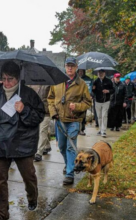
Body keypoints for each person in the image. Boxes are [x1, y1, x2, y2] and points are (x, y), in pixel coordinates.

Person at [0, 61, 44, 220]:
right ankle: (1, 213)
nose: (6, 82)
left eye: (10, 79)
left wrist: (24, 110)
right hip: (1, 142)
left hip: (22, 143)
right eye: (3, 78)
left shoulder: (28, 94)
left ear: (18, 78)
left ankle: (32, 197)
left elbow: (39, 116)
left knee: (28, 177)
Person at [48, 57, 92, 185]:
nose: (70, 68)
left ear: (76, 67)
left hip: (74, 120)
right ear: (65, 66)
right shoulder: (57, 82)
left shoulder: (82, 84)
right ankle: (69, 165)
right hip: (60, 120)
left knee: (70, 147)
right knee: (61, 147)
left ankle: (70, 173)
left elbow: (88, 102)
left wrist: (77, 106)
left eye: (72, 66)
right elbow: (50, 99)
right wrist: (53, 112)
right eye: (68, 65)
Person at [29, 85, 52, 162]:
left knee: (42, 131)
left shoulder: (49, 84)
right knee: (41, 131)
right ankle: (47, 146)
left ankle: (38, 153)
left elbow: (52, 97)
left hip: (46, 112)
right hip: (35, 112)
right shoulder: (30, 85)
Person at [92, 69, 114, 137]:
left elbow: (113, 90)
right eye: (99, 73)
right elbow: (93, 92)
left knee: (104, 115)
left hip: (106, 101)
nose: (100, 74)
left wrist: (108, 91)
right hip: (97, 101)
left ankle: (103, 131)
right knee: (99, 116)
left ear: (104, 73)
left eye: (101, 73)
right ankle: (100, 129)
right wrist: (93, 89)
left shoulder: (108, 81)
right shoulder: (95, 81)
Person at [77, 69, 93, 135]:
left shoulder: (88, 79)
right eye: (79, 71)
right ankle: (77, 129)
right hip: (76, 100)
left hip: (84, 100)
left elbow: (90, 89)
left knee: (83, 116)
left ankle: (82, 129)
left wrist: (91, 94)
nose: (80, 73)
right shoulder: (75, 79)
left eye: (82, 71)